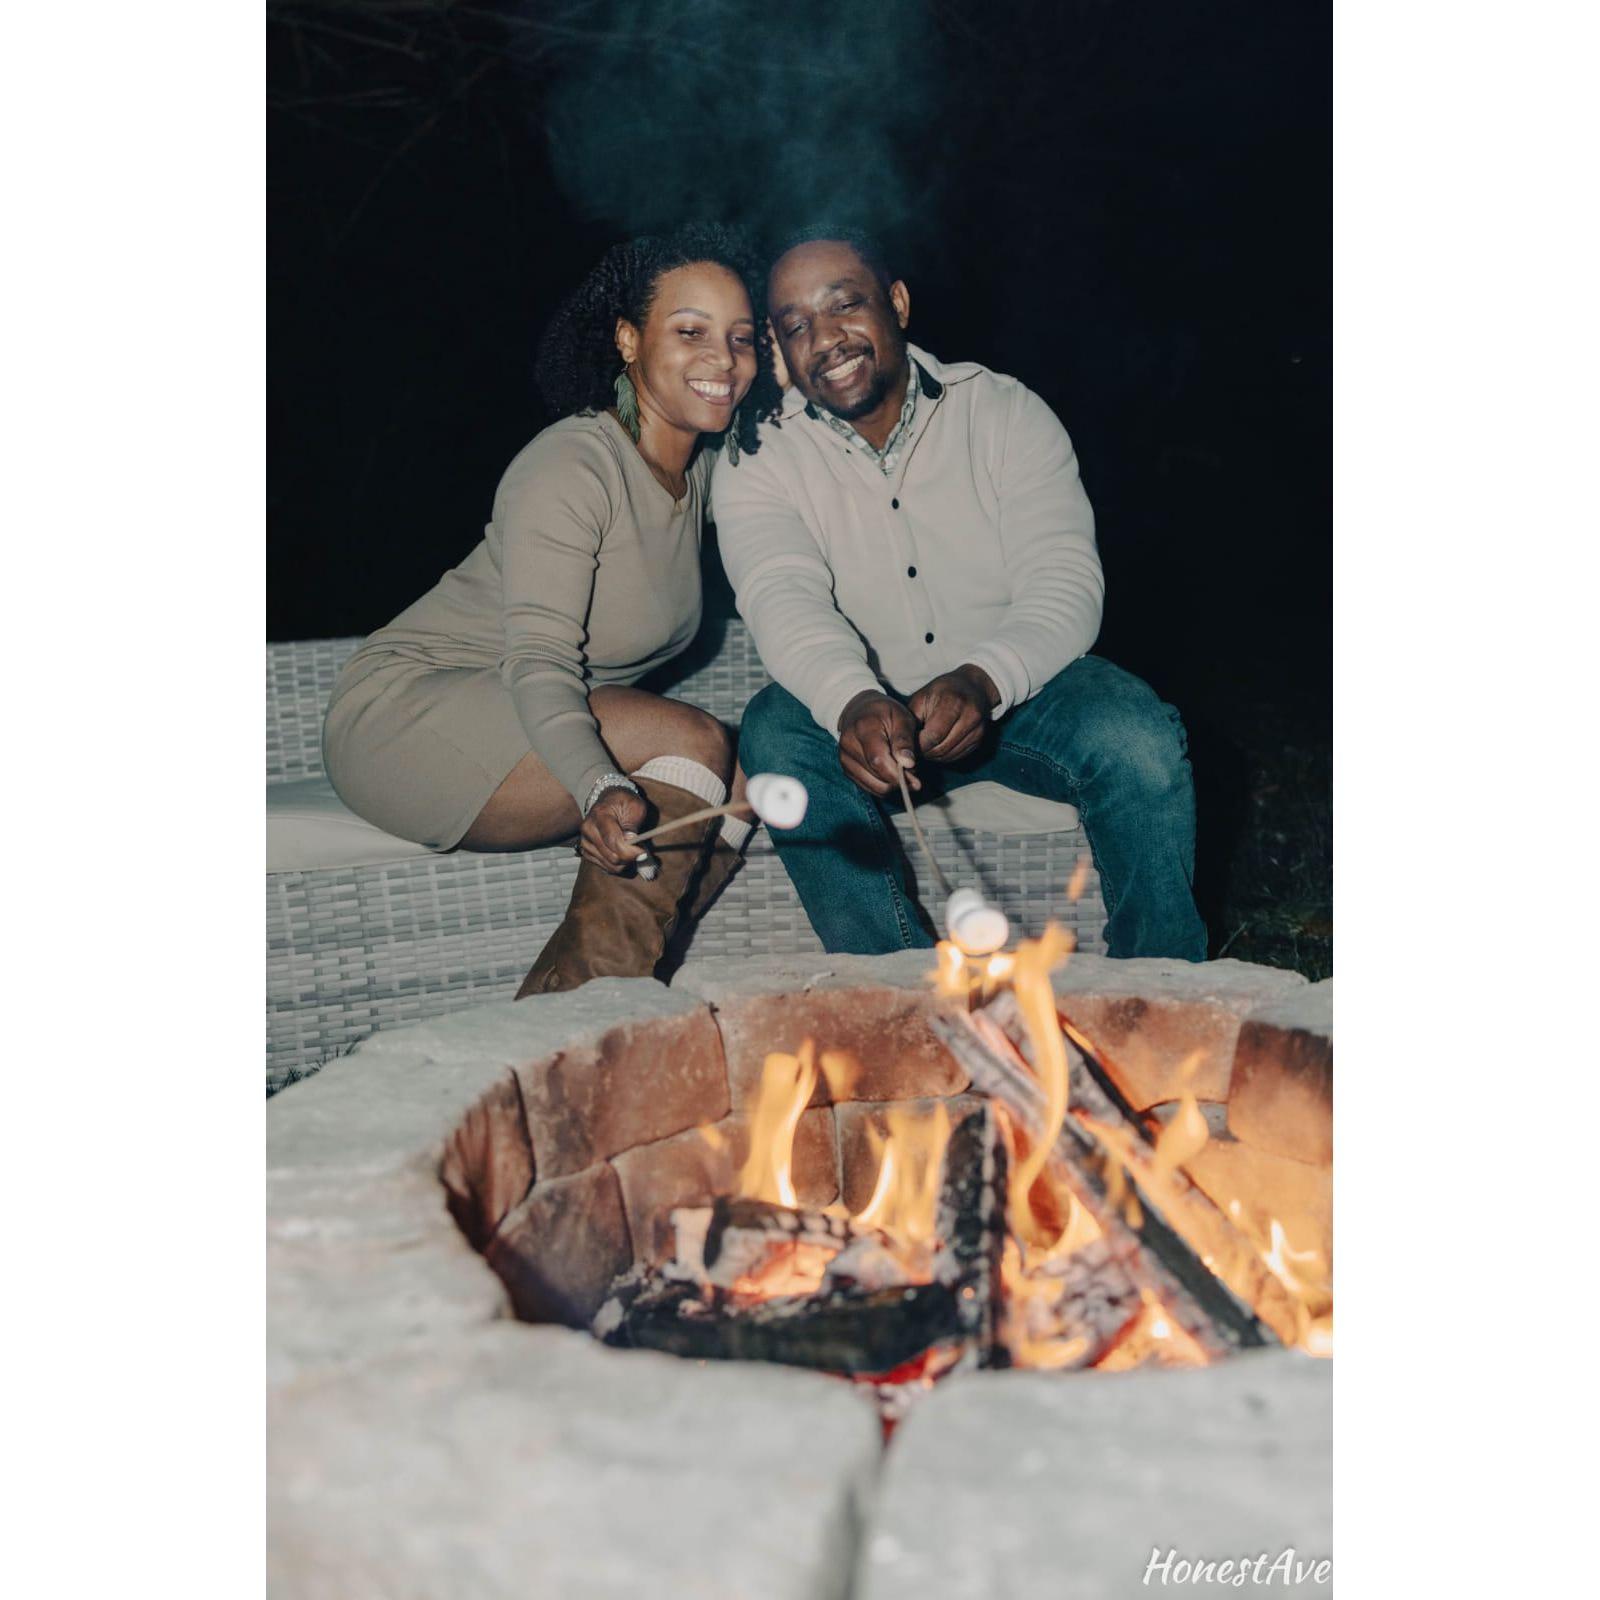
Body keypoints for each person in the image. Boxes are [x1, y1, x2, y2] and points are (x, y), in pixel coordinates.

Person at [712, 226, 1208, 961]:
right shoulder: (757, 458)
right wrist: (850, 698)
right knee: (774, 732)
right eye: (796, 326)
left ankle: (1161, 991)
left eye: (845, 305)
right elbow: (781, 595)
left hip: (1018, 699)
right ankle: (900, 996)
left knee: (1137, 737)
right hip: (864, 718)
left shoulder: (1004, 412)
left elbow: (1064, 579)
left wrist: (985, 679)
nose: (826, 339)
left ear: (897, 303)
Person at [322, 223, 780, 995]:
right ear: (629, 340)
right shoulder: (574, 465)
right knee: (695, 739)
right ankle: (592, 1021)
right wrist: (595, 782)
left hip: (516, 706)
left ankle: (565, 1012)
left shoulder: (702, 470)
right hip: (407, 716)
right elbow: (537, 658)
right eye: (690, 331)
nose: (723, 359)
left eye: (741, 338)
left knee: (746, 775)